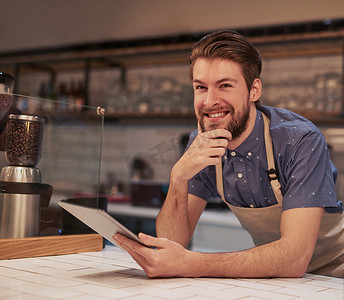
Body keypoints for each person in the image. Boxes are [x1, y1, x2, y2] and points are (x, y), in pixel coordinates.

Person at [114, 30, 344, 278]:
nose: (210, 101)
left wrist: (191, 263)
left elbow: (294, 257)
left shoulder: (299, 141)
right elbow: (170, 243)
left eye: (224, 85)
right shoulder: (199, 144)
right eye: (201, 87)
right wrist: (178, 175)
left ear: (254, 90)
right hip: (280, 279)